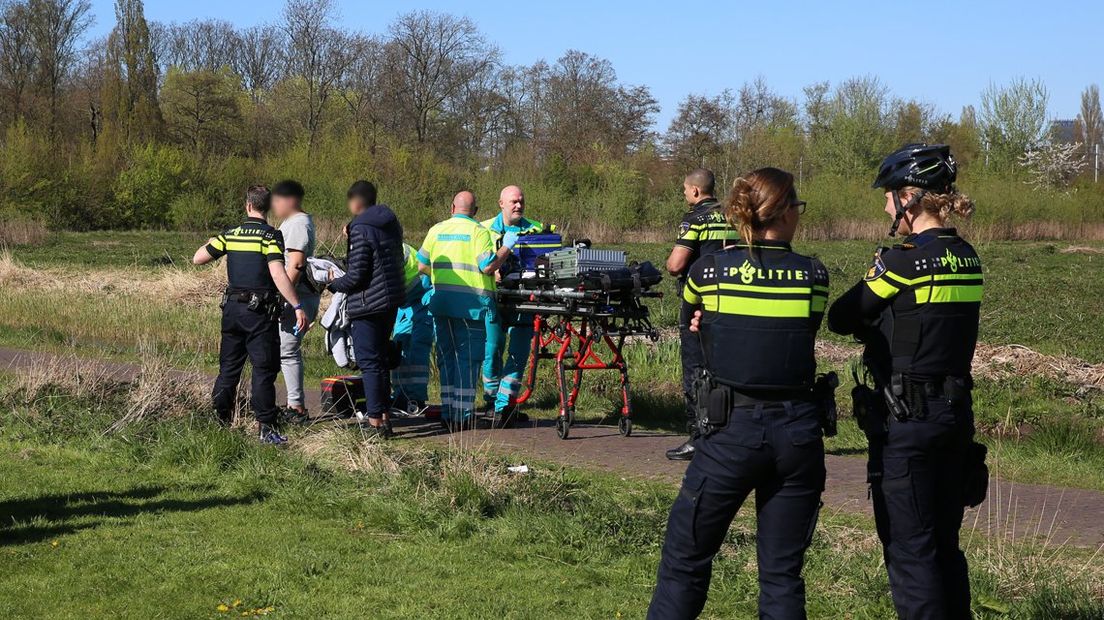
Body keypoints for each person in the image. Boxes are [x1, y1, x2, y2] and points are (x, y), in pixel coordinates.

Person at [648, 168, 829, 619]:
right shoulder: (814, 276)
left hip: (731, 432)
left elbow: (693, 318)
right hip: (798, 434)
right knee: (783, 573)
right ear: (785, 213)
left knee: (685, 560)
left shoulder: (710, 271)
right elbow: (804, 330)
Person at [827, 144, 981, 620]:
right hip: (954, 417)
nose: (885, 206)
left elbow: (841, 315)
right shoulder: (967, 256)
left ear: (910, 198)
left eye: (890, 197)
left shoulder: (901, 261)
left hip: (907, 421)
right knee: (945, 547)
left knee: (911, 552)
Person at [193, 185, 309, 445]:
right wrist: (297, 305)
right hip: (260, 313)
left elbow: (198, 258)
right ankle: (266, 428)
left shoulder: (231, 235)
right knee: (263, 369)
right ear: (267, 208)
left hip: (232, 310)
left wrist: (215, 240)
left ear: (247, 205)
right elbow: (278, 274)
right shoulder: (270, 236)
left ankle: (220, 419)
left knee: (229, 368)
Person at [417, 191, 514, 431]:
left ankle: (448, 413)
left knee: (446, 359)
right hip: (471, 308)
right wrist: (507, 247)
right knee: (468, 362)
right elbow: (488, 266)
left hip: (441, 306)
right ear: (476, 211)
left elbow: (421, 265)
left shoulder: (436, 230)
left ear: (452, 208)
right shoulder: (479, 232)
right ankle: (462, 416)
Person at [664, 168, 742, 461]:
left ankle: (699, 438)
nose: (685, 195)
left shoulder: (695, 218)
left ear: (695, 191)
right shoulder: (734, 216)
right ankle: (729, 434)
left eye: (685, 190)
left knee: (696, 372)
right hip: (734, 303)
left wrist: (670, 264)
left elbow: (676, 264)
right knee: (726, 370)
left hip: (699, 304)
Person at [328, 180, 405, 437]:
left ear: (356, 201)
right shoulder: (391, 223)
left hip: (367, 302)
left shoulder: (361, 227)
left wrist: (332, 283)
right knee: (381, 360)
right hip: (390, 300)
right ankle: (384, 418)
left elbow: (358, 274)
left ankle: (373, 423)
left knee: (369, 362)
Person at [481, 185, 545, 426]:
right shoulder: (484, 229)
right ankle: (490, 401)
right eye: (513, 202)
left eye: (521, 201)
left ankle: (505, 406)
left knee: (518, 354)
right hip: (494, 299)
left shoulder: (535, 228)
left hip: (524, 299)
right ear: (501, 204)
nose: (518, 205)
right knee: (492, 349)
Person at [270, 179, 319, 425]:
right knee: (286, 350)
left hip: (297, 296)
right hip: (297, 295)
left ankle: (296, 408)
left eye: (277, 200)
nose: (273, 206)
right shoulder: (294, 222)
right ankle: (294, 404)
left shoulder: (298, 224)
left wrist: (283, 295)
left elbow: (296, 263)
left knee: (288, 351)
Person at [391, 241, 436, 416]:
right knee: (399, 345)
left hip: (423, 295)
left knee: (419, 346)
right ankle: (400, 394)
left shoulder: (391, 247)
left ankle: (416, 398)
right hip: (405, 302)